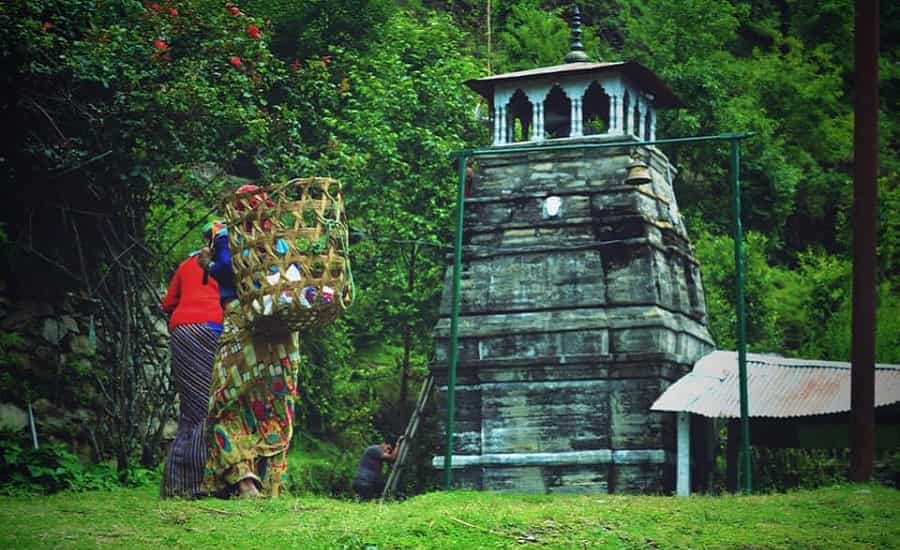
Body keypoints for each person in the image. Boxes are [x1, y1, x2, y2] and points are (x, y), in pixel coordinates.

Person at [198, 185, 301, 498]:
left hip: (243, 324)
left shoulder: (231, 233)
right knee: (276, 405)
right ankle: (271, 487)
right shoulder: (280, 239)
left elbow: (228, 266)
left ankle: (243, 478)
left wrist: (208, 266)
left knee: (225, 400)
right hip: (282, 333)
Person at [159, 226, 224, 499]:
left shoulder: (187, 264)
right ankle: (194, 484)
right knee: (204, 409)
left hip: (182, 331)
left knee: (190, 409)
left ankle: (175, 483)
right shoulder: (231, 264)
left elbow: (167, 303)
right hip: (211, 330)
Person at [352, 435, 401, 500]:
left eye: (390, 450)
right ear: (384, 444)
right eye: (388, 448)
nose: (388, 451)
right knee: (365, 504)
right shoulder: (375, 449)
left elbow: (391, 460)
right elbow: (392, 457)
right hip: (363, 482)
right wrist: (398, 445)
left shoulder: (379, 453)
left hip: (368, 482)